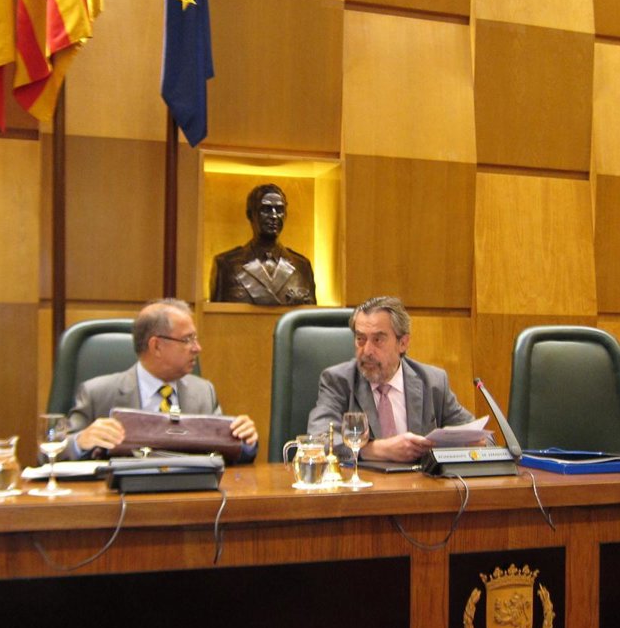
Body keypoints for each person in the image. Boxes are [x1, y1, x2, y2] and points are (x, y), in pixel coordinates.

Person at [66, 299, 259, 461]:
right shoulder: (97, 394)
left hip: (189, 492)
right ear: (156, 346)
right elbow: (56, 449)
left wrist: (244, 441)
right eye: (187, 339)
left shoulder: (203, 392)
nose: (197, 348)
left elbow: (225, 454)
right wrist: (80, 441)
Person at [307, 296, 476, 462]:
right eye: (360, 339)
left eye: (378, 340)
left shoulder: (433, 382)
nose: (367, 351)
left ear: (403, 343)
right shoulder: (338, 381)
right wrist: (377, 450)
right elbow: (319, 438)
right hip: (364, 479)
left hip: (419, 479)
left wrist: (475, 443)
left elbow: (476, 434)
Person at [210, 183, 317, 306]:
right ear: (250, 214)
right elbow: (215, 315)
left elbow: (312, 316)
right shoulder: (226, 265)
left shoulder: (302, 267)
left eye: (279, 210)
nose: (274, 216)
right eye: (266, 209)